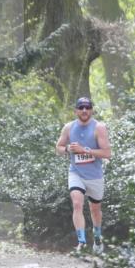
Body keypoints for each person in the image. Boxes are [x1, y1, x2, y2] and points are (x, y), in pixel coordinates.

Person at [55, 96, 112, 254]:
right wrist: (67, 149)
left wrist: (84, 150)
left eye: (87, 107)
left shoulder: (99, 127)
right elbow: (58, 148)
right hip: (76, 173)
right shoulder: (68, 127)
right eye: (81, 108)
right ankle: (81, 243)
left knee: (95, 209)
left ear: (92, 110)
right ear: (75, 111)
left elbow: (107, 153)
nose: (84, 110)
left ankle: (98, 237)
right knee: (77, 203)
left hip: (94, 175)